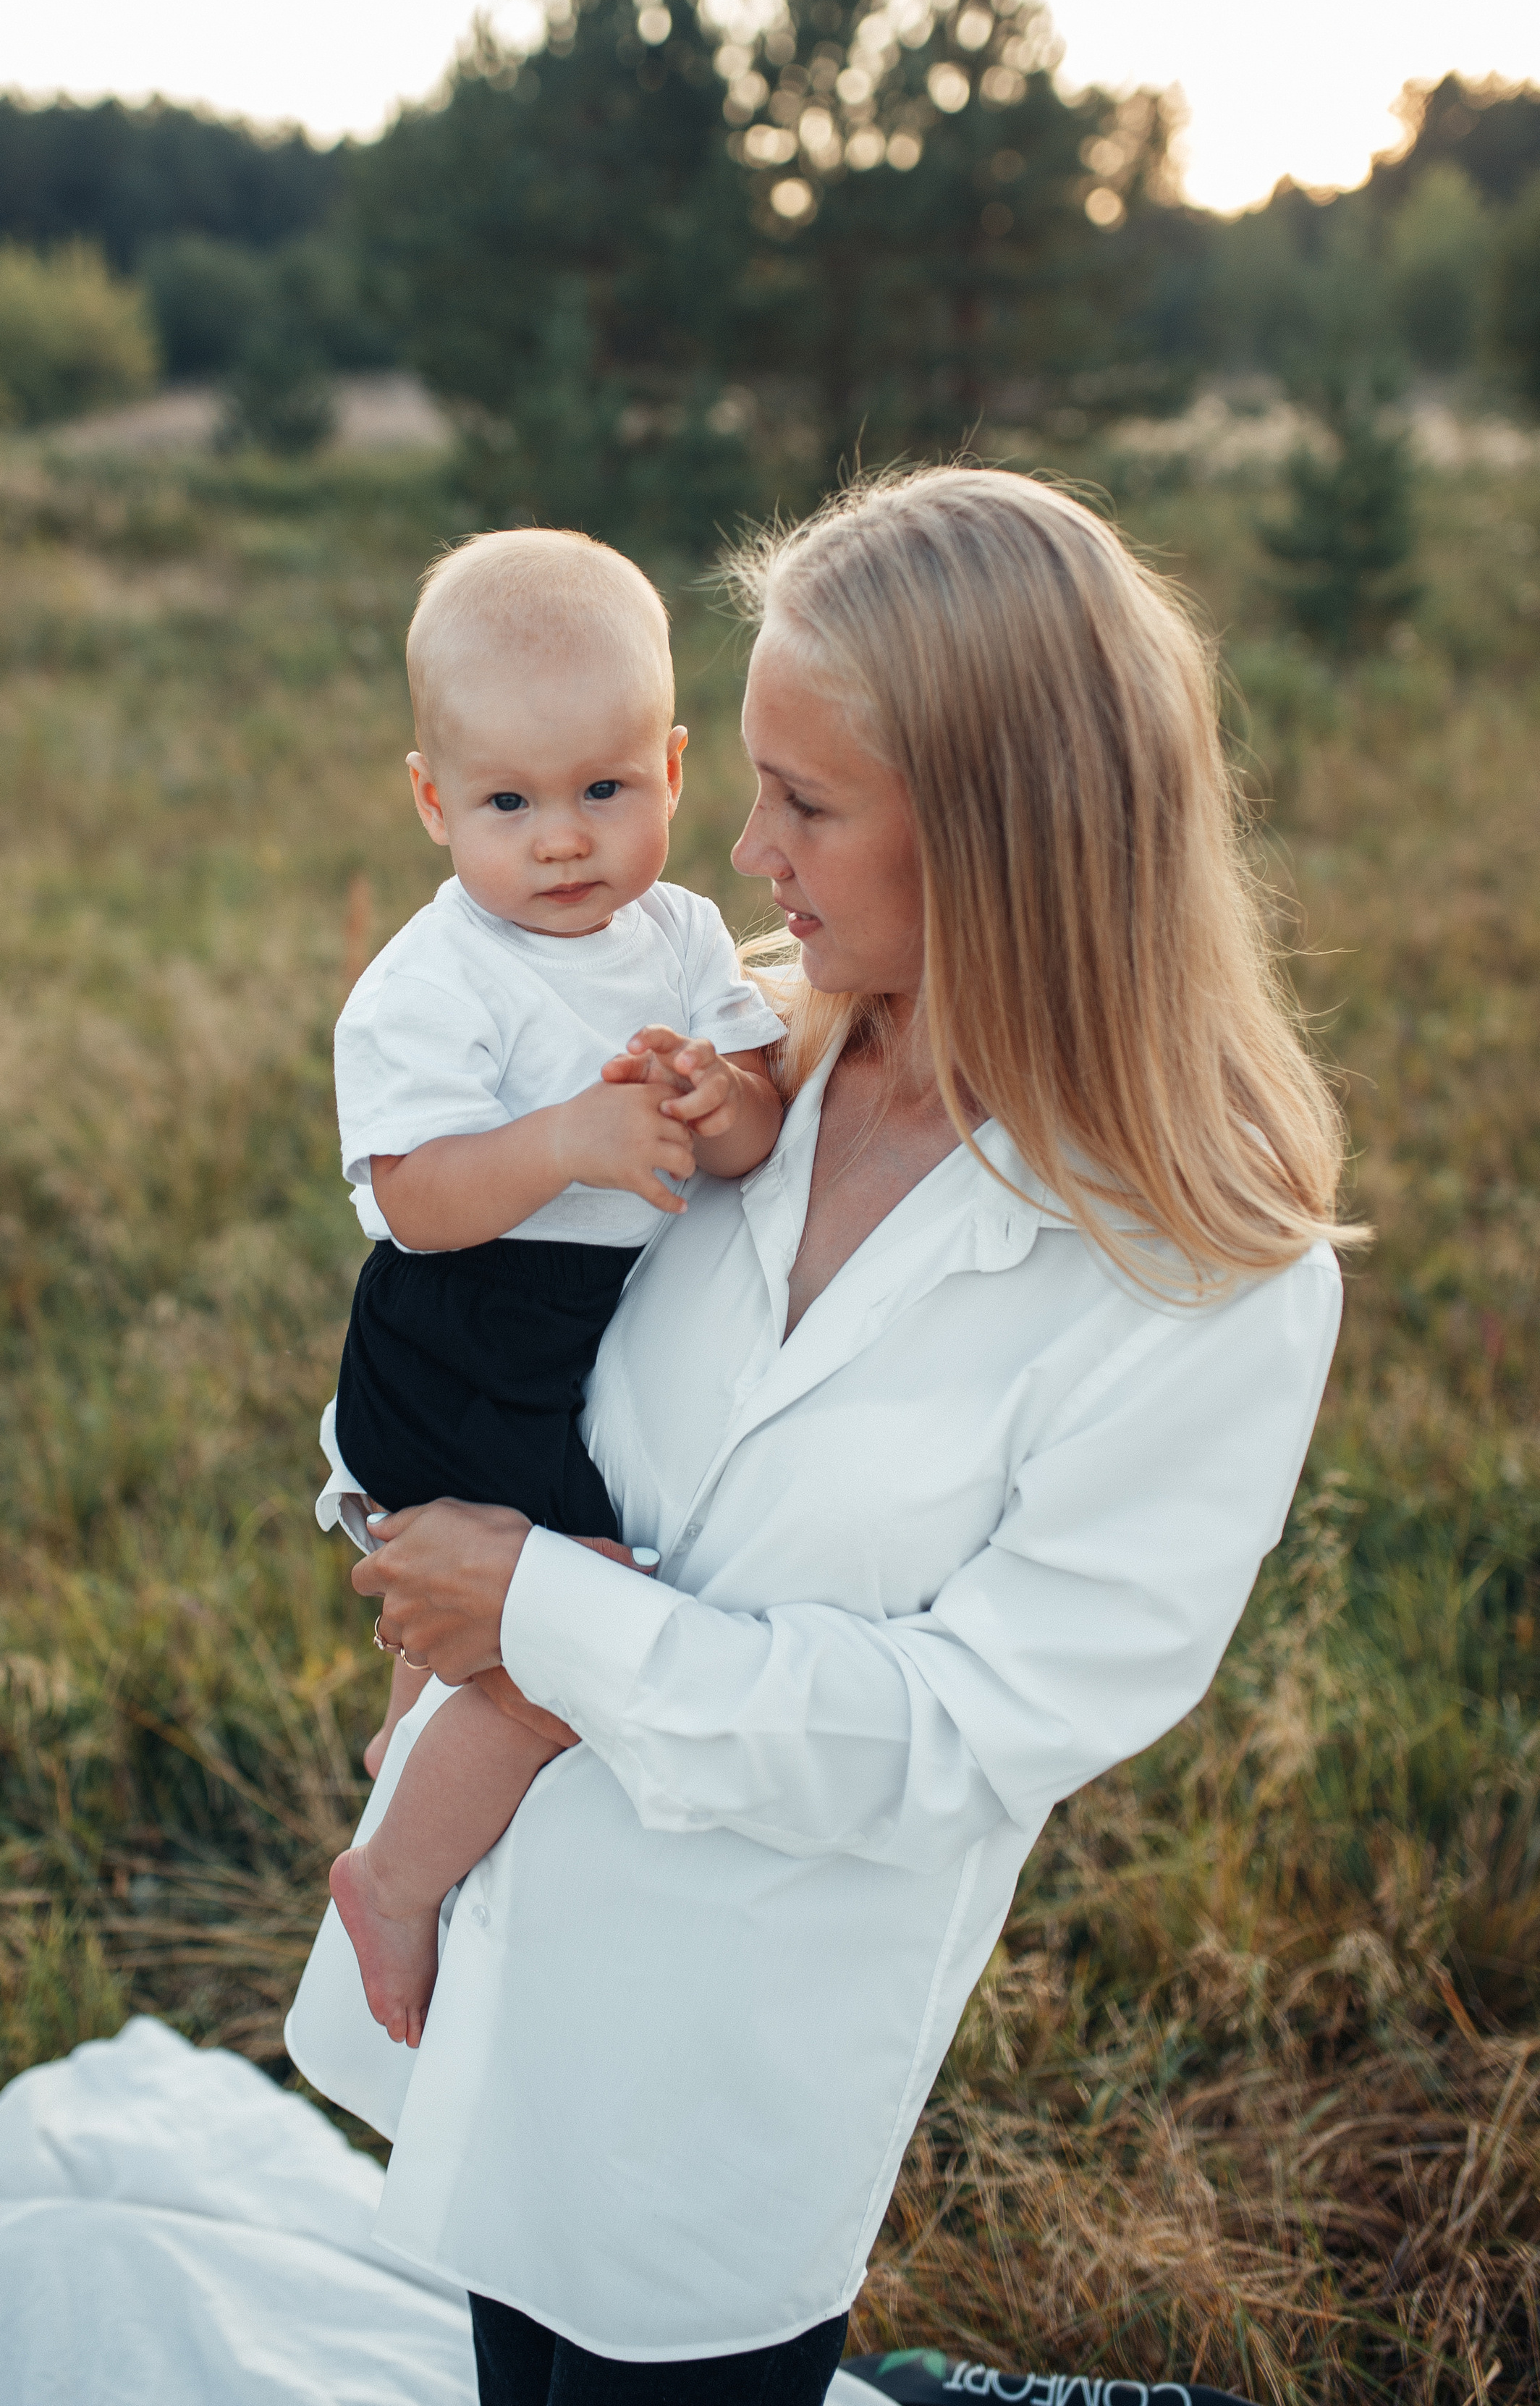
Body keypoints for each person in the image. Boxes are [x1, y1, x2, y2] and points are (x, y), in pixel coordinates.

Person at [286, 467, 1355, 2406]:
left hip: (728, 2050)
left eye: (807, 799)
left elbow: (968, 1726)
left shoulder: (1203, 1276)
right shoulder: (730, 1068)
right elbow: (482, 1339)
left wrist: (540, 1614)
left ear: (1003, 833)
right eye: (750, 778)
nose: (742, 844)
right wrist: (414, 1548)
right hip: (496, 1961)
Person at [320, 528, 787, 2049]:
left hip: (571, 1338)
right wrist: (568, 1141)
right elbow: (409, 1201)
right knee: (568, 1627)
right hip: (459, 1337)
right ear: (430, 802)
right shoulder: (434, 980)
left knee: (527, 1624)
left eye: (601, 790)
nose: (562, 839)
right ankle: (391, 1878)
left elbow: (755, 1126)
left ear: (666, 766)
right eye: (508, 803)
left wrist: (714, 1105)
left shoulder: (685, 938)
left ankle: (412, 1750)